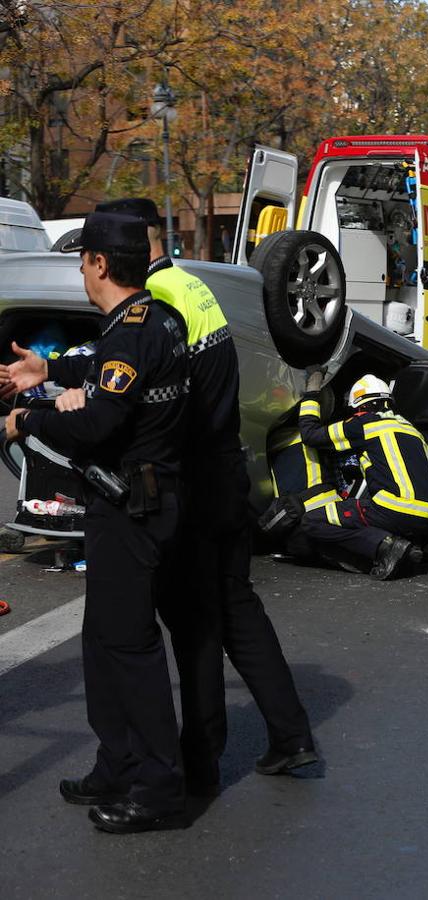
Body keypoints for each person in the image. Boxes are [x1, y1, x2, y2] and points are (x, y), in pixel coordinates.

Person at [111, 199, 317, 787]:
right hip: (227, 470)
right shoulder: (191, 284)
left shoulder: (160, 300)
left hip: (197, 481)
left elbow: (158, 397)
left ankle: (201, 758)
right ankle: (291, 735)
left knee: (195, 620)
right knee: (235, 609)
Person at [3, 209, 192, 832]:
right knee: (102, 640)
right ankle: (118, 760)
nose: (82, 269)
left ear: (100, 264)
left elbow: (99, 421)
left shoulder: (132, 330)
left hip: (134, 506)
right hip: (134, 501)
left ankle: (160, 784)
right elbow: (110, 374)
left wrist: (29, 419)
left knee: (130, 647)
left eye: (83, 259)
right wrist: (49, 371)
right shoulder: (153, 318)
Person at [296, 373, 428, 579]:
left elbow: (310, 435)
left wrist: (311, 395)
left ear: (361, 407)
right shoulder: (412, 431)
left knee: (313, 521)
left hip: (394, 510)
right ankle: (397, 552)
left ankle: (383, 548)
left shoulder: (364, 424)